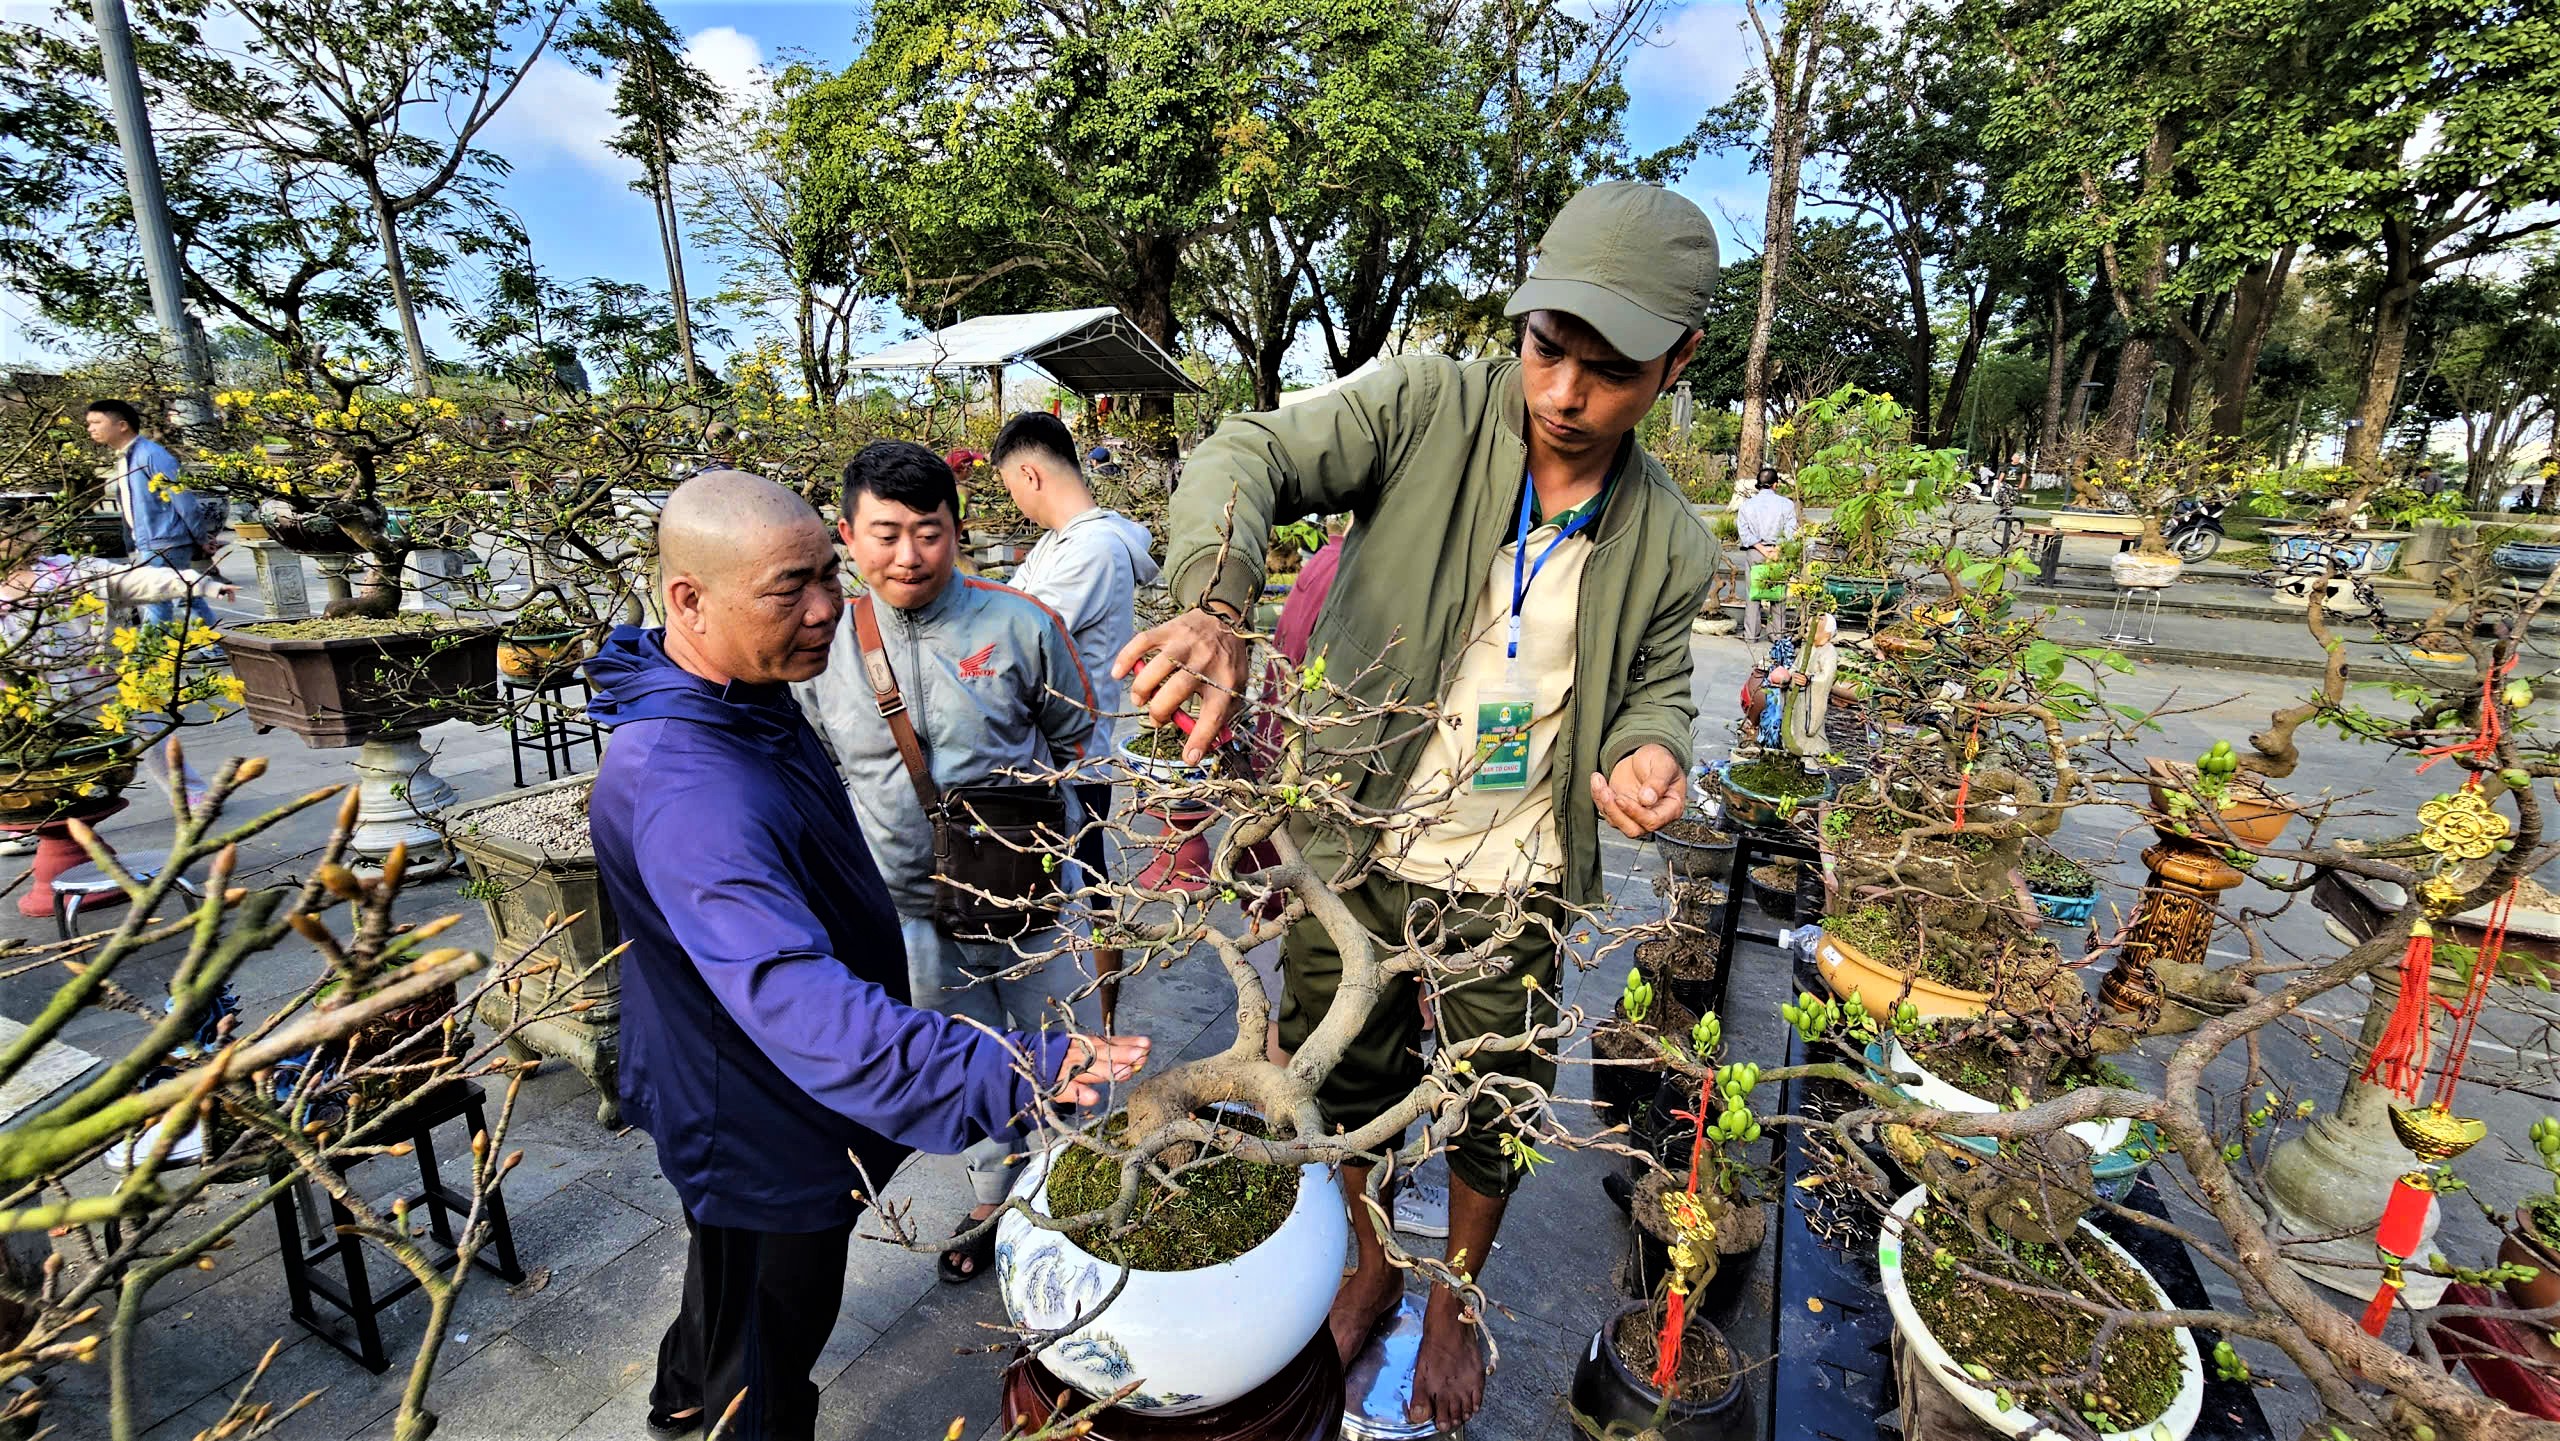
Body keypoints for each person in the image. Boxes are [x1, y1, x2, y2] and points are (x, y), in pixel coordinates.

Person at [1114, 180, 1718, 1428]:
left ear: (1678, 363)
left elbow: (1656, 686)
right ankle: (1369, 1264)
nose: (1563, 393)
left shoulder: (1670, 541)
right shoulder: (1426, 406)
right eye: (1546, 347)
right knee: (1340, 1078)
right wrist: (1217, 600)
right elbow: (1247, 450)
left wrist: (1650, 748)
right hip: (1354, 845)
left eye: (1609, 371)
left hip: (1516, 871)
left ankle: (1454, 1297)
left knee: (1496, 1100)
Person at [585, 469, 1146, 1440]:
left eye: (824, 575)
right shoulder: (691, 788)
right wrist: (1016, 1069)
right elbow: (800, 1003)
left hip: (752, 1085)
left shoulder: (740, 692)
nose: (823, 609)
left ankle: (680, 1385)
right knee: (770, 1341)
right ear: (688, 599)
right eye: (789, 588)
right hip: (758, 1117)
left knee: (725, 1264)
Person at [795, 441, 1107, 1287]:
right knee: (964, 1061)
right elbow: (818, 769)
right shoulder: (821, 649)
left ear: (957, 531)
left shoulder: (1021, 624)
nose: (908, 555)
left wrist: (1060, 860)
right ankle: (993, 1198)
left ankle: (1087, 1189)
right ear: (847, 536)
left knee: (1070, 1050)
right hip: (908, 911)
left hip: (1030, 899)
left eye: (928, 532)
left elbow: (1080, 744)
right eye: (886, 533)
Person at [993, 411, 1161, 1016]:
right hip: (1051, 749)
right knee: (1081, 879)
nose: (1014, 501)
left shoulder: (1093, 549)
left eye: (1010, 486)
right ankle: (1090, 1013)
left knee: (1088, 887)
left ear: (1030, 474)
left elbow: (1016, 633)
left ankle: (1103, 1018)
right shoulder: (1058, 543)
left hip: (1075, 754)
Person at [84, 400, 222, 632]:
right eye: (89, 423)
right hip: (153, 541)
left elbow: (183, 499)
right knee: (184, 595)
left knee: (159, 599)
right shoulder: (128, 456)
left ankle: (149, 653)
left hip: (164, 542)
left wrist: (201, 538)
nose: (91, 428)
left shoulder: (151, 455)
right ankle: (212, 644)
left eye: (96, 422)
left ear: (122, 425)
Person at [1735, 468, 1801, 643]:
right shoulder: (1786, 504)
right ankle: (1777, 635)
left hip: (1756, 552)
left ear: (1758, 484)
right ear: (1775, 485)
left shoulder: (1746, 505)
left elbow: (1744, 532)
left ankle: (1751, 635)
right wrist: (1776, 550)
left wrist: (1762, 550)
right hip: (1778, 553)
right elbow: (1790, 531)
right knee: (1778, 596)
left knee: (1753, 595)